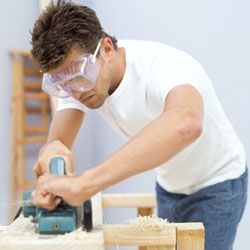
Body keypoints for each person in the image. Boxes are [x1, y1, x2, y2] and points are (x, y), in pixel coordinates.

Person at [30, 1, 247, 249]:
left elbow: (186, 123)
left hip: (217, 183)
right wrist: (52, 148)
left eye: (79, 77)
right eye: (62, 84)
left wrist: (86, 183)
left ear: (107, 49)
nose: (75, 92)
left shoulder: (164, 66)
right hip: (170, 184)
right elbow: (59, 140)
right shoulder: (79, 79)